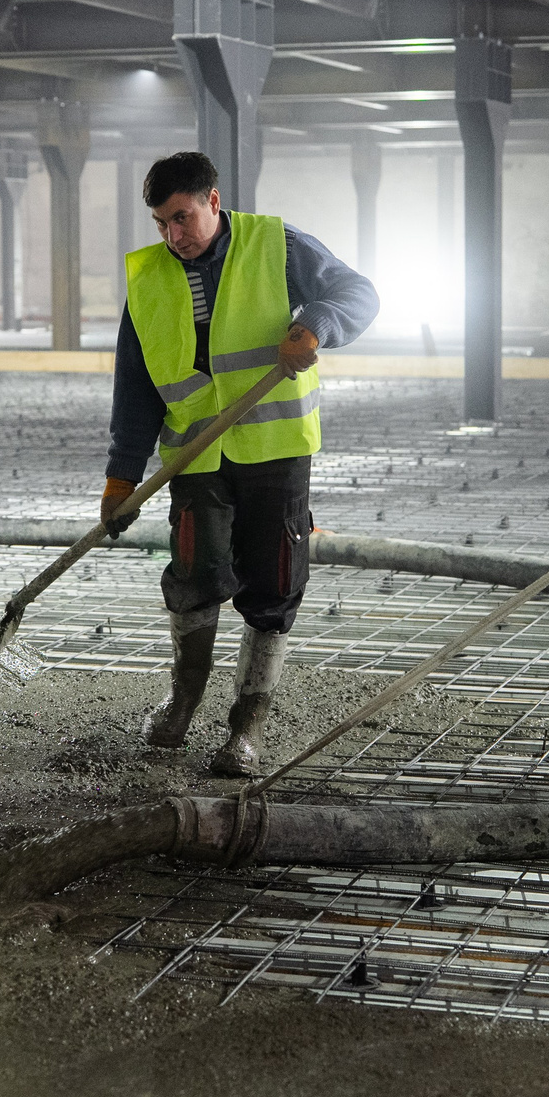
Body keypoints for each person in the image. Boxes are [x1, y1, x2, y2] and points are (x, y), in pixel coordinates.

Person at [105, 151, 377, 775]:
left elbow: (357, 293)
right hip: (195, 455)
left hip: (274, 452)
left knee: (273, 582)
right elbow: (136, 383)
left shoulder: (276, 245)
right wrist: (123, 471)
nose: (174, 236)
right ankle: (182, 701)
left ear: (214, 202)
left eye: (183, 217)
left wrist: (317, 324)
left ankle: (245, 728)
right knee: (194, 575)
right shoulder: (148, 277)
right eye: (161, 224)